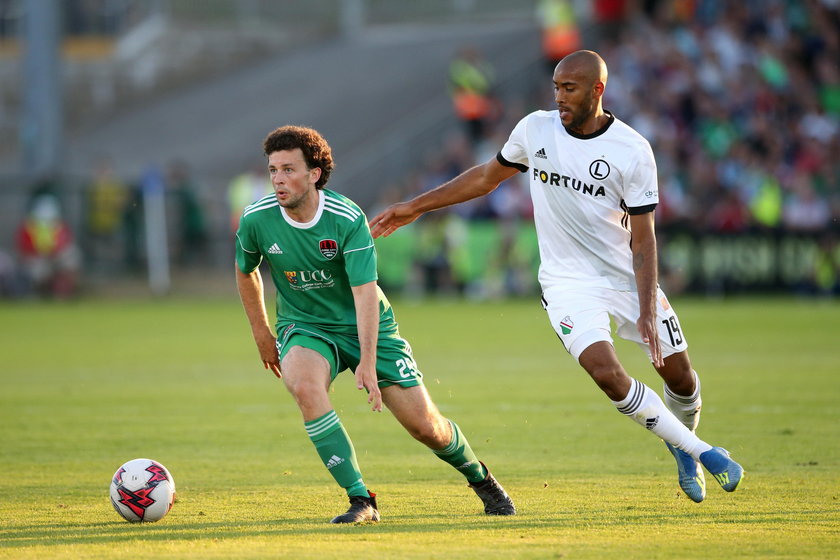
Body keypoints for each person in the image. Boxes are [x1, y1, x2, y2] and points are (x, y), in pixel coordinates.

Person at [370, 50, 744, 503]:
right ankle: (703, 452)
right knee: (606, 373)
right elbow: (487, 177)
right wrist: (415, 205)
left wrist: (646, 307)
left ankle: (684, 446)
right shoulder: (535, 129)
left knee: (680, 379)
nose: (560, 97)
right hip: (566, 283)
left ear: (597, 90)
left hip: (625, 278)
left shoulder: (631, 150)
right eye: (556, 88)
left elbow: (643, 239)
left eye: (570, 89)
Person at [235, 125, 515, 523]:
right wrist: (262, 332)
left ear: (314, 173)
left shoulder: (347, 219)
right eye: (273, 170)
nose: (278, 179)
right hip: (306, 325)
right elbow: (245, 269)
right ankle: (360, 499)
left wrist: (367, 360)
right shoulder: (257, 219)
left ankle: (481, 479)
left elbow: (365, 293)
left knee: (426, 427)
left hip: (368, 325)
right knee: (303, 383)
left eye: (288, 169)